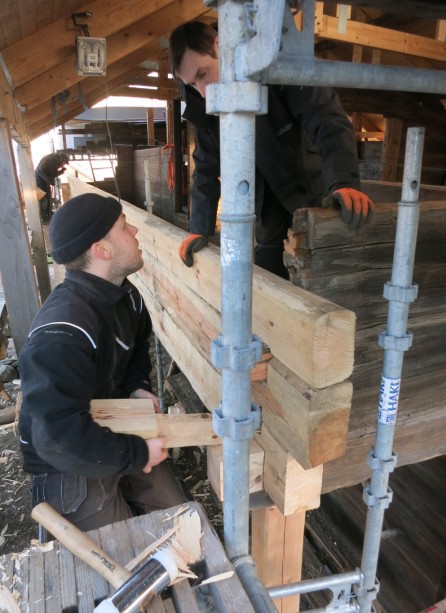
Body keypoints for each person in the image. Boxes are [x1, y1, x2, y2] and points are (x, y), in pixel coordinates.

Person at [18, 193, 186, 531]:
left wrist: (136, 387)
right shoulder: (63, 333)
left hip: (110, 425)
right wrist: (138, 455)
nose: (136, 231)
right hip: (64, 457)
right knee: (119, 561)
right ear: (103, 250)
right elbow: (57, 438)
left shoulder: (127, 298)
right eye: (125, 227)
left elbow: (137, 347)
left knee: (180, 522)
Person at [169, 21, 375, 279]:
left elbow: (326, 117)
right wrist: (199, 227)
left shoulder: (274, 57)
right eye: (191, 84)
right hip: (265, 203)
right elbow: (206, 164)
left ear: (220, 45)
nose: (203, 92)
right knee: (270, 275)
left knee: (323, 274)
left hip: (308, 185)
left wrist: (344, 181)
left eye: (203, 74)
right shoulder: (201, 97)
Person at [35, 151, 69, 221]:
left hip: (46, 180)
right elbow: (39, 171)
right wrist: (49, 181)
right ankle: (44, 217)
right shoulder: (49, 159)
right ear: (61, 159)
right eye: (64, 163)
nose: (63, 165)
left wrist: (61, 172)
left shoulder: (55, 162)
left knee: (49, 197)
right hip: (39, 179)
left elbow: (52, 174)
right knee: (44, 198)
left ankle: (49, 214)